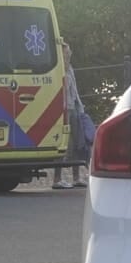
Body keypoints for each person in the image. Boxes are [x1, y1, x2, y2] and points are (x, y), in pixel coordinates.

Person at [54, 42, 94, 189]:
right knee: (64, 144)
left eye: (69, 52)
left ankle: (76, 177)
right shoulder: (59, 70)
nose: (69, 55)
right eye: (66, 53)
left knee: (78, 142)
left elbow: (74, 91)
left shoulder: (70, 69)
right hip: (64, 109)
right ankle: (57, 178)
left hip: (74, 108)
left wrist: (80, 107)